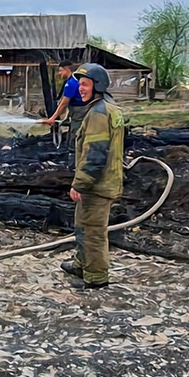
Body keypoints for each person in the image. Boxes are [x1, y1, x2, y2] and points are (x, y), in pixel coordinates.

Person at [60, 64, 125, 289]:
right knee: (83, 225)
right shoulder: (108, 108)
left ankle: (96, 277)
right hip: (103, 183)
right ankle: (81, 263)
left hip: (96, 186)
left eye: (85, 85)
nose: (80, 89)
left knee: (93, 232)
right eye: (80, 85)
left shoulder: (98, 114)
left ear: (98, 85)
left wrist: (80, 184)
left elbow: (95, 153)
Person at [41, 60, 86, 129]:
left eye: (60, 70)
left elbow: (64, 104)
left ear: (67, 70)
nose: (59, 73)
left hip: (79, 115)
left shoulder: (71, 83)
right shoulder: (72, 80)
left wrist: (52, 119)